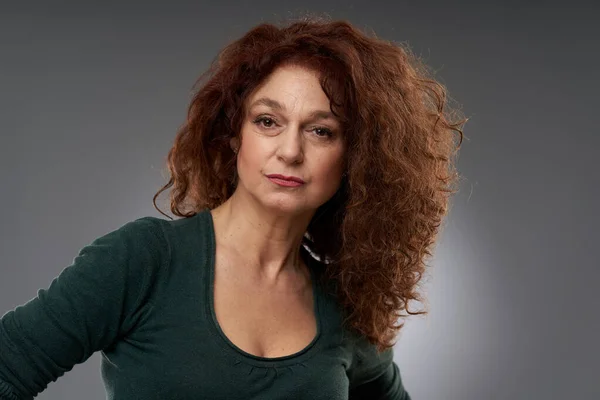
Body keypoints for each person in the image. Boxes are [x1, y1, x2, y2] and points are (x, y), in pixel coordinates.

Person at [0, 15, 465, 400]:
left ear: (357, 158)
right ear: (234, 134)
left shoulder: (344, 308)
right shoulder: (143, 260)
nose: (289, 150)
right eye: (268, 121)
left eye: (321, 130)